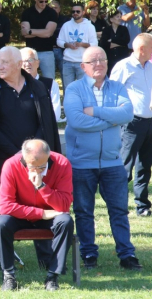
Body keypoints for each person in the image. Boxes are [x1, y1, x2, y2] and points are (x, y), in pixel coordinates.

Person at [0, 46, 61, 257]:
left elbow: (46, 123)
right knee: (2, 206)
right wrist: (17, 154)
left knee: (40, 201)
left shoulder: (37, 88)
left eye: (5, 62)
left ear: (19, 65)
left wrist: (31, 152)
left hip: (36, 160)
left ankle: (45, 254)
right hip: (2, 161)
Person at [64, 46, 141, 271]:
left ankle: (127, 255)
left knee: (119, 211)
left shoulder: (117, 87)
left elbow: (127, 114)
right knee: (84, 212)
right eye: (93, 61)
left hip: (113, 162)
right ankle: (88, 254)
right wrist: (111, 117)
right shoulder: (74, 89)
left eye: (102, 60)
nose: (98, 64)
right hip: (81, 163)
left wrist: (95, 111)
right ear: (83, 66)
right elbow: (77, 120)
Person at [0, 139, 73, 291]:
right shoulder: (11, 165)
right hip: (22, 215)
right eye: (32, 166)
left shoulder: (62, 163)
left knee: (66, 221)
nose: (37, 170)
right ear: (23, 158)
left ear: (49, 157)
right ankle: (9, 276)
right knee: (0, 224)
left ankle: (52, 276)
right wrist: (41, 213)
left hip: (52, 214)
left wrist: (42, 187)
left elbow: (64, 205)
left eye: (42, 166)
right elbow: (4, 206)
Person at [110, 33, 152, 217]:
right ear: (142, 49)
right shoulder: (123, 66)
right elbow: (111, 93)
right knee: (125, 165)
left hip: (150, 122)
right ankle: (118, 205)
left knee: (145, 165)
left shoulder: (150, 67)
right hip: (131, 122)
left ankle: (142, 205)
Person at [57, 2, 98, 90]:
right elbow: (59, 41)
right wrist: (67, 45)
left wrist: (82, 44)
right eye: (73, 11)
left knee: (84, 89)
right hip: (67, 61)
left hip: (83, 62)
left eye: (78, 11)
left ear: (83, 12)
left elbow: (95, 44)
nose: (75, 13)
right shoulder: (66, 25)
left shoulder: (90, 26)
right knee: (68, 89)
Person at [21, 0, 58, 79]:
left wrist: (30, 31)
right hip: (30, 52)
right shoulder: (27, 12)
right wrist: (42, 32)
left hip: (47, 51)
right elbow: (24, 33)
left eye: (46, 1)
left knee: (49, 79)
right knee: (28, 78)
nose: (44, 4)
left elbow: (48, 33)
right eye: (41, 1)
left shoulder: (52, 13)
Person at [20, 47, 62, 121]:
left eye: (30, 60)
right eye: (23, 61)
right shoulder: (14, 85)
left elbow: (55, 115)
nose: (27, 64)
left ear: (38, 63)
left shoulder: (50, 84)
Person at [99, 10, 131, 75]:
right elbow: (103, 43)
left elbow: (126, 41)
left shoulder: (124, 29)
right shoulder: (106, 30)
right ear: (111, 19)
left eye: (120, 16)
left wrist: (112, 40)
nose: (120, 18)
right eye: (117, 17)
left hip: (122, 57)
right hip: (110, 59)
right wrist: (119, 44)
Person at [49, 0, 70, 83]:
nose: (53, 9)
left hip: (62, 50)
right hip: (49, 49)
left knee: (65, 75)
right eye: (51, 8)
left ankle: (66, 95)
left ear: (59, 9)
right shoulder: (45, 19)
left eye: (55, 8)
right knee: (50, 76)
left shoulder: (66, 20)